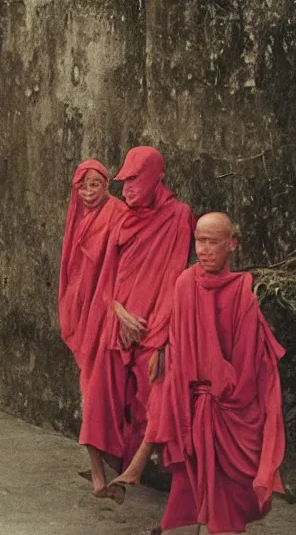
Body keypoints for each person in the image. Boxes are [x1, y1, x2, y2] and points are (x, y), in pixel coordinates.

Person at [141, 213, 286, 535]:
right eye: (199, 241)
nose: (203, 250)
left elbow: (250, 364)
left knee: (233, 499)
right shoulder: (184, 284)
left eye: (212, 242)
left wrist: (226, 396)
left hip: (232, 409)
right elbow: (179, 347)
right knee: (194, 486)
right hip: (195, 406)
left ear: (232, 245)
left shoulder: (243, 293)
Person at [78, 146, 194, 501]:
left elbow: (175, 274)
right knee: (98, 396)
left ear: (156, 177)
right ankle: (99, 478)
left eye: (133, 180)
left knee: (153, 399)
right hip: (118, 323)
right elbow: (106, 278)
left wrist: (157, 331)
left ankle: (138, 469)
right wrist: (117, 310)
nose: (126, 189)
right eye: (124, 181)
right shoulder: (122, 217)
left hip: (153, 327)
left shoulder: (178, 216)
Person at [58, 160, 128, 395]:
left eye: (95, 185)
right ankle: (90, 424)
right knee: (86, 363)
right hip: (81, 296)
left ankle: (97, 425)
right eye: (83, 186)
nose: (88, 192)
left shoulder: (118, 212)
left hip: (105, 295)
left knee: (100, 362)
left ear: (106, 185)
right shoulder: (78, 214)